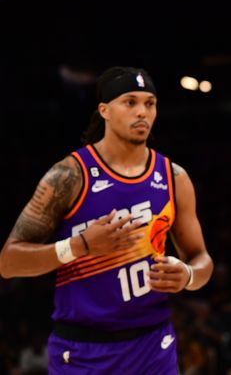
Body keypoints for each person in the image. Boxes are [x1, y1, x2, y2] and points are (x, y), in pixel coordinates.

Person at [0, 66, 214, 374]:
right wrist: (78, 246)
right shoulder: (69, 175)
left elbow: (202, 259)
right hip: (84, 350)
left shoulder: (173, 177)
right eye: (130, 102)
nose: (142, 112)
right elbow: (9, 262)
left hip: (153, 346)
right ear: (105, 110)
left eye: (149, 103)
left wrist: (189, 275)